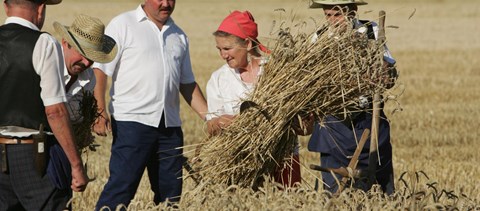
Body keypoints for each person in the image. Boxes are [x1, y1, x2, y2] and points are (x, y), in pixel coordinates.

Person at [92, 0, 208, 209]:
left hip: (170, 127)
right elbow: (100, 70)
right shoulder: (121, 24)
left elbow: (187, 84)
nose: (166, 3)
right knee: (120, 189)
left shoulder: (179, 35)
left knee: (170, 196)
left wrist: (210, 117)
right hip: (131, 123)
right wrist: (99, 110)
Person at [0, 0, 88, 210]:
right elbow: (55, 112)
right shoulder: (44, 43)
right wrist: (76, 165)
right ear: (40, 9)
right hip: (34, 156)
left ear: (6, 6)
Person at [306, 0, 397, 194]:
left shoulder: (371, 30)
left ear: (352, 13)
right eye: (328, 15)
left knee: (381, 187)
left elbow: (390, 72)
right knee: (334, 192)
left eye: (337, 15)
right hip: (333, 124)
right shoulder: (318, 39)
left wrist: (384, 73)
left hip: (368, 118)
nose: (332, 21)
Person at [205, 10, 301, 187]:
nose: (223, 55)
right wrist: (220, 122)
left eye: (227, 48)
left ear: (248, 44)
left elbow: (304, 128)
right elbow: (210, 126)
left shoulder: (278, 73)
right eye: (219, 49)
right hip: (238, 164)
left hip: (283, 160)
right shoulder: (219, 79)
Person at [54, 14, 117, 123]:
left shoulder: (89, 78)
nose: (87, 63)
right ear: (65, 43)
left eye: (92, 58)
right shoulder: (46, 67)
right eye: (82, 54)